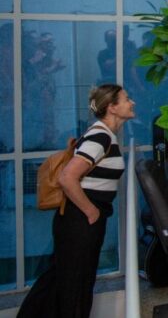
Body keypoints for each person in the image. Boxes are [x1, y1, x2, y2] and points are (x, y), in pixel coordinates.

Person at [18, 84, 135, 318]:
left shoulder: (103, 135)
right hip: (79, 221)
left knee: (63, 280)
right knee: (75, 286)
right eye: (126, 99)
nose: (131, 102)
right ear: (112, 107)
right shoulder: (100, 136)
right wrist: (91, 212)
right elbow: (67, 177)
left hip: (78, 221)